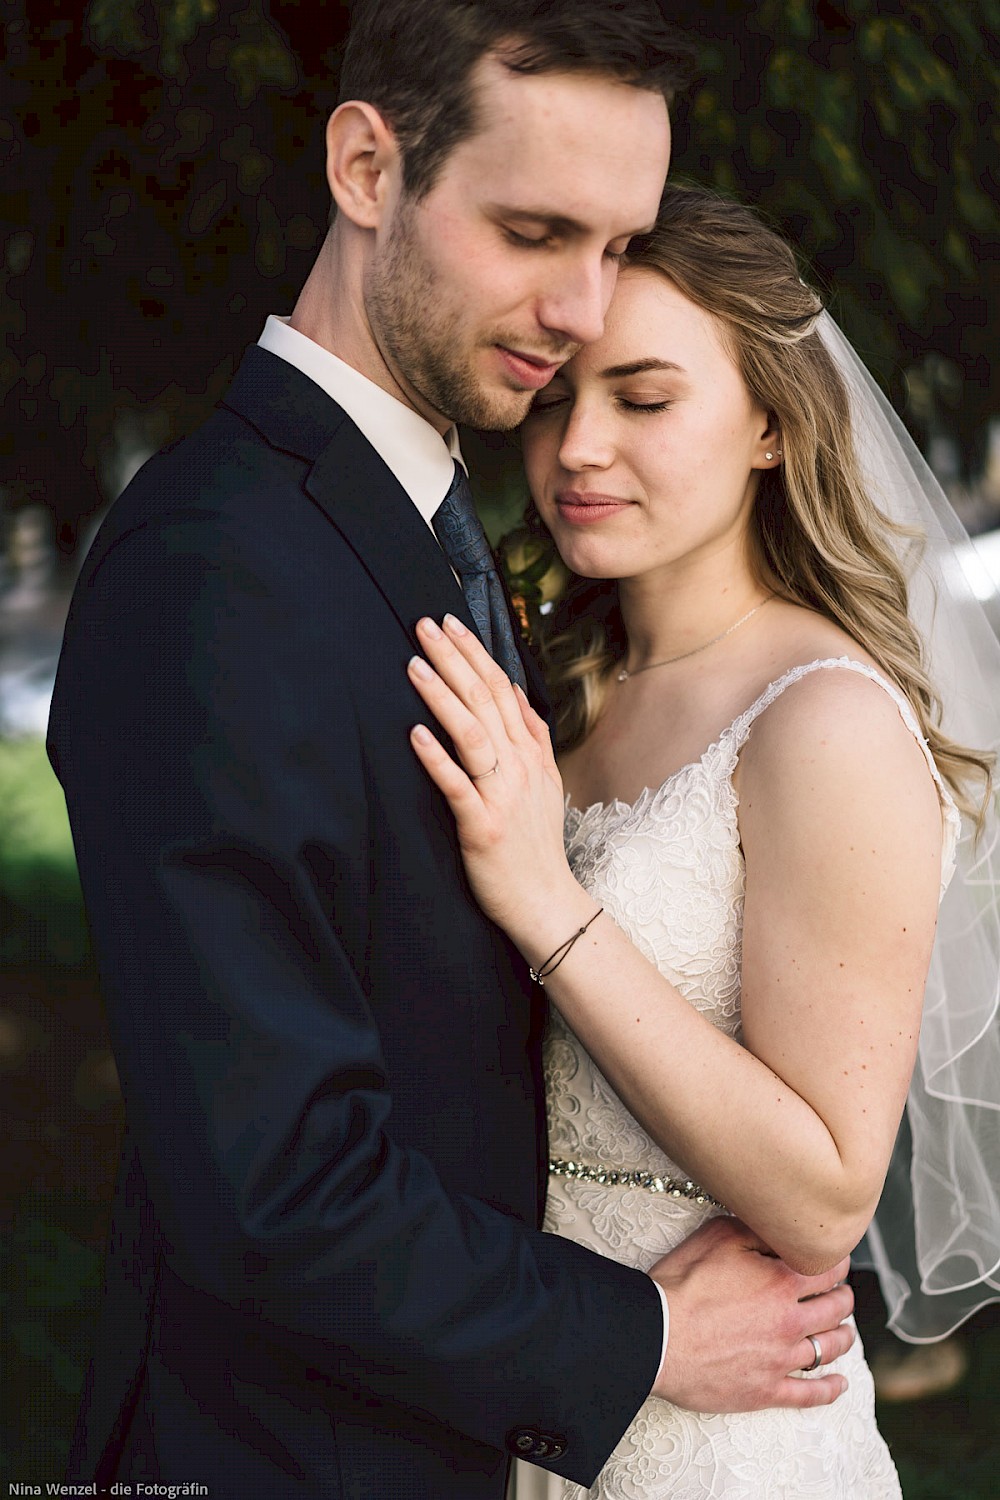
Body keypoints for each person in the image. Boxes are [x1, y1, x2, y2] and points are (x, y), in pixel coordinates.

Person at [45, 8, 858, 1499]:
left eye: (614, 246)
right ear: (367, 164)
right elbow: (275, 1188)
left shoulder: (426, 527)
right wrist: (646, 1335)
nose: (585, 308)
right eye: (537, 231)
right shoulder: (216, 567)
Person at [404, 182, 1000, 1497]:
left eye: (645, 398)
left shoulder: (821, 721)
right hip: (556, 1396)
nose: (577, 447)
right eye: (557, 395)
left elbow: (829, 1196)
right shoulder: (560, 692)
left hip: (728, 1447)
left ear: (773, 430)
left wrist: (544, 899)